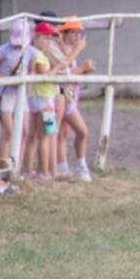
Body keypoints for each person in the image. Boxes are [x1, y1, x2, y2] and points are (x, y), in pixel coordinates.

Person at [0, 17, 35, 164]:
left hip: (20, 94)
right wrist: (7, 78)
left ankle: (16, 165)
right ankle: (2, 164)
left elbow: (32, 69)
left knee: (24, 132)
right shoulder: (3, 50)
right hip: (4, 93)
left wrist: (24, 78)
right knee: (9, 132)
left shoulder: (30, 51)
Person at [56, 16, 94, 182]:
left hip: (70, 95)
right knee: (82, 131)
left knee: (63, 132)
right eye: (74, 32)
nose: (78, 36)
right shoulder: (62, 50)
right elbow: (63, 72)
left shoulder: (69, 50)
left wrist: (83, 70)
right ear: (64, 33)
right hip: (63, 95)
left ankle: (63, 167)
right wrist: (82, 67)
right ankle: (80, 166)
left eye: (80, 33)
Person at [26, 21, 66, 179]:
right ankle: (44, 171)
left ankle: (33, 170)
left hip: (39, 99)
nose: (49, 42)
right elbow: (44, 75)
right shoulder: (38, 55)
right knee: (45, 135)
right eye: (46, 38)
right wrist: (58, 68)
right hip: (44, 101)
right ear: (37, 37)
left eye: (50, 39)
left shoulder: (34, 53)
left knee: (36, 136)